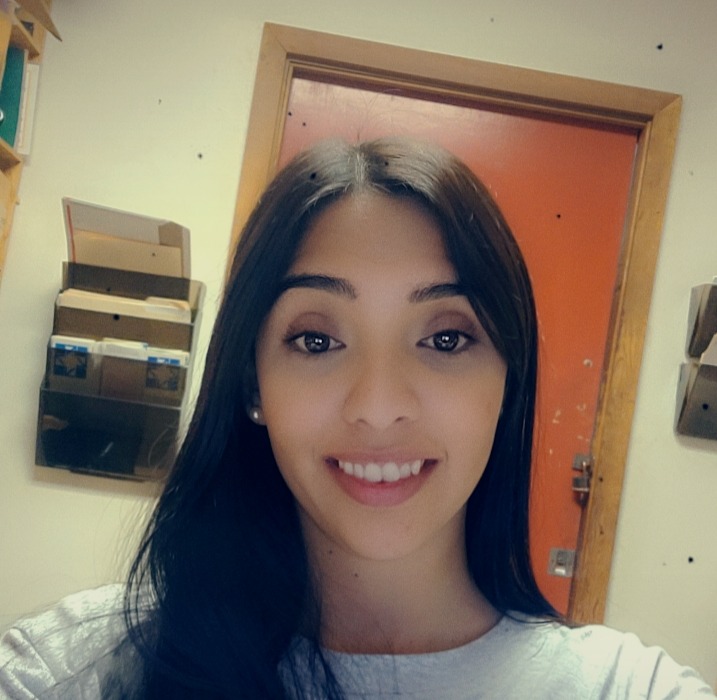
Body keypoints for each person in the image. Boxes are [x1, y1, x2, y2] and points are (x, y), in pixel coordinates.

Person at [0, 138, 714, 699]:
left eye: (445, 339)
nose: (377, 406)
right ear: (252, 383)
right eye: (316, 341)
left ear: (508, 383)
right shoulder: (75, 672)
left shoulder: (621, 689)